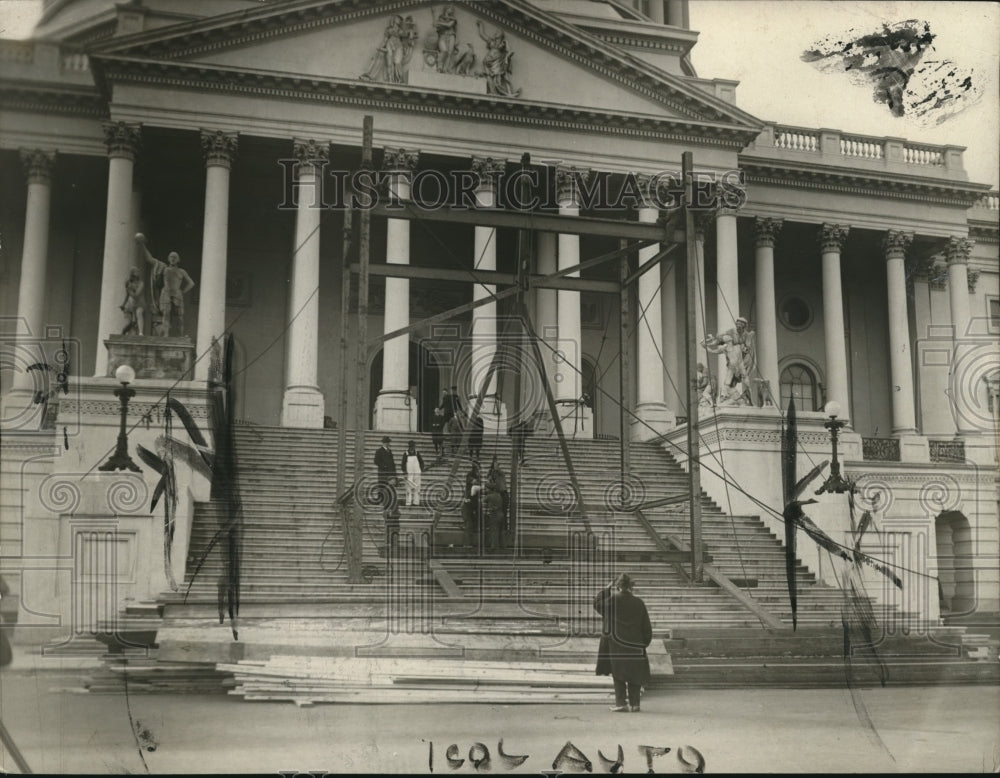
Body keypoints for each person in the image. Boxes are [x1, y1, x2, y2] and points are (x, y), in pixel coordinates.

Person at [594, 573, 652, 713]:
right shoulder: (639, 603)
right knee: (635, 672)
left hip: (616, 644)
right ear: (631, 586)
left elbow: (597, 605)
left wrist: (606, 590)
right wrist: (643, 643)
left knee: (618, 672)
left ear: (618, 586)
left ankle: (621, 703)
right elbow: (646, 627)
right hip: (635, 643)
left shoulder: (612, 600)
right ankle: (635, 704)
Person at [135, 233, 195, 337]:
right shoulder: (163, 267)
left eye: (175, 257)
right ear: (168, 259)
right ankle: (166, 336)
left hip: (177, 294)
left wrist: (183, 291)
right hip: (166, 293)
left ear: (178, 260)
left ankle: (181, 336)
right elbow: (149, 259)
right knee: (166, 315)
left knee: (180, 317)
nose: (173, 258)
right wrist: (142, 245)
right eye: (171, 256)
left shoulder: (181, 271)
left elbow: (191, 283)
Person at [463, 461, 482, 552]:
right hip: (469, 502)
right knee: (469, 524)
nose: (479, 471)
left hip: (474, 502)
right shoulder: (470, 475)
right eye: (478, 469)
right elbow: (475, 483)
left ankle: (473, 541)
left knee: (476, 521)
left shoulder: (477, 476)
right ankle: (467, 543)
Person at [120, 267, 145, 335]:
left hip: (139, 303)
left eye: (136, 276)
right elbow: (127, 295)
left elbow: (136, 295)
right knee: (130, 323)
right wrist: (123, 304)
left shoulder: (141, 283)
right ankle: (124, 331)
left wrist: (130, 290)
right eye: (133, 276)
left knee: (139, 313)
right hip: (130, 304)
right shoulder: (129, 283)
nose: (134, 279)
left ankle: (140, 332)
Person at [400, 440, 425, 507]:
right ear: (409, 447)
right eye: (410, 447)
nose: (412, 448)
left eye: (413, 447)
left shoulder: (417, 453)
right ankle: (408, 502)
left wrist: (421, 470)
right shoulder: (405, 454)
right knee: (408, 488)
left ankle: (416, 502)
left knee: (417, 487)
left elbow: (421, 462)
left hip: (417, 473)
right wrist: (404, 472)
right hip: (409, 473)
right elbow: (403, 464)